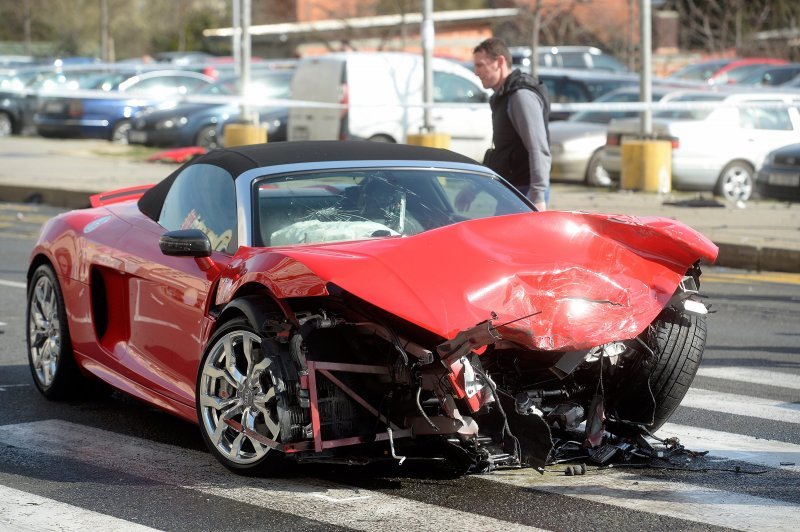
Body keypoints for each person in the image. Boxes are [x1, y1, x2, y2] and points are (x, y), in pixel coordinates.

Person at [468, 37, 551, 212]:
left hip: (525, 193)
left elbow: (538, 148)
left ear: (499, 62)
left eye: (480, 65)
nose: (476, 72)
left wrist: (537, 196)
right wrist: (473, 189)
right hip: (512, 190)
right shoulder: (503, 96)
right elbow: (503, 151)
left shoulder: (520, 96)